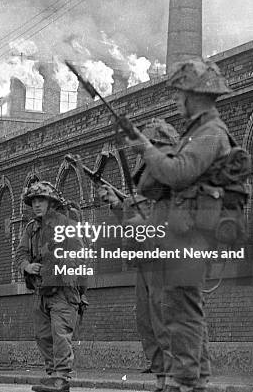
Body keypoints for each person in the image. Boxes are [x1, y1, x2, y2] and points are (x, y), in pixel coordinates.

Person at [125, 58, 242, 392]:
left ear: (196, 95)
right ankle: (196, 380)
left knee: (183, 313)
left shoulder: (210, 133)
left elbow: (177, 174)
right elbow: (154, 185)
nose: (177, 101)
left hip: (193, 237)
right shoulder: (197, 133)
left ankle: (187, 382)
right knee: (184, 310)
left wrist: (148, 149)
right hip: (184, 234)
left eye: (180, 94)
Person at [98, 118, 179, 392]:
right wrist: (118, 206)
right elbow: (134, 223)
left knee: (164, 319)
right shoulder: (150, 191)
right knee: (146, 320)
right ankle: (161, 376)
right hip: (146, 262)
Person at [14, 181, 86, 392]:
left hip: (63, 290)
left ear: (51, 202)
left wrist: (58, 267)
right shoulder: (32, 228)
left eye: (41, 200)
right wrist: (28, 266)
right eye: (34, 201)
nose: (36, 205)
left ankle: (61, 378)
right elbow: (21, 253)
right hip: (41, 290)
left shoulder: (67, 225)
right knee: (43, 335)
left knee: (60, 333)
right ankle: (52, 376)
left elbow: (80, 256)